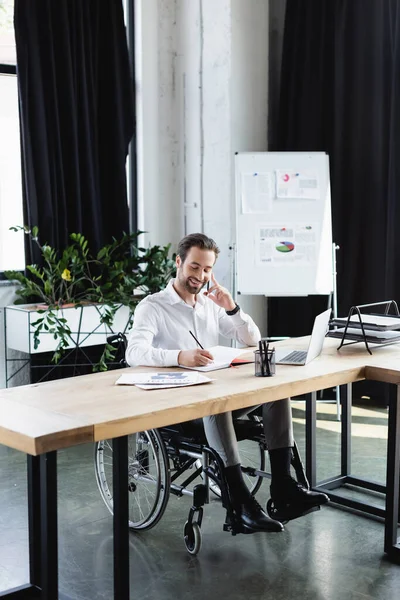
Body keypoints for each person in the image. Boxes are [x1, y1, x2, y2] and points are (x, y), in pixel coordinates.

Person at [126, 233, 328, 533]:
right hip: (180, 406)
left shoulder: (209, 304)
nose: (201, 276)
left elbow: (252, 339)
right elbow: (134, 353)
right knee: (216, 403)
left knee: (276, 392)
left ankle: (284, 490)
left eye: (207, 270)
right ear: (179, 263)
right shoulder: (153, 307)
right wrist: (180, 356)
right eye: (195, 267)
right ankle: (241, 505)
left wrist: (231, 307)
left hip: (216, 394)